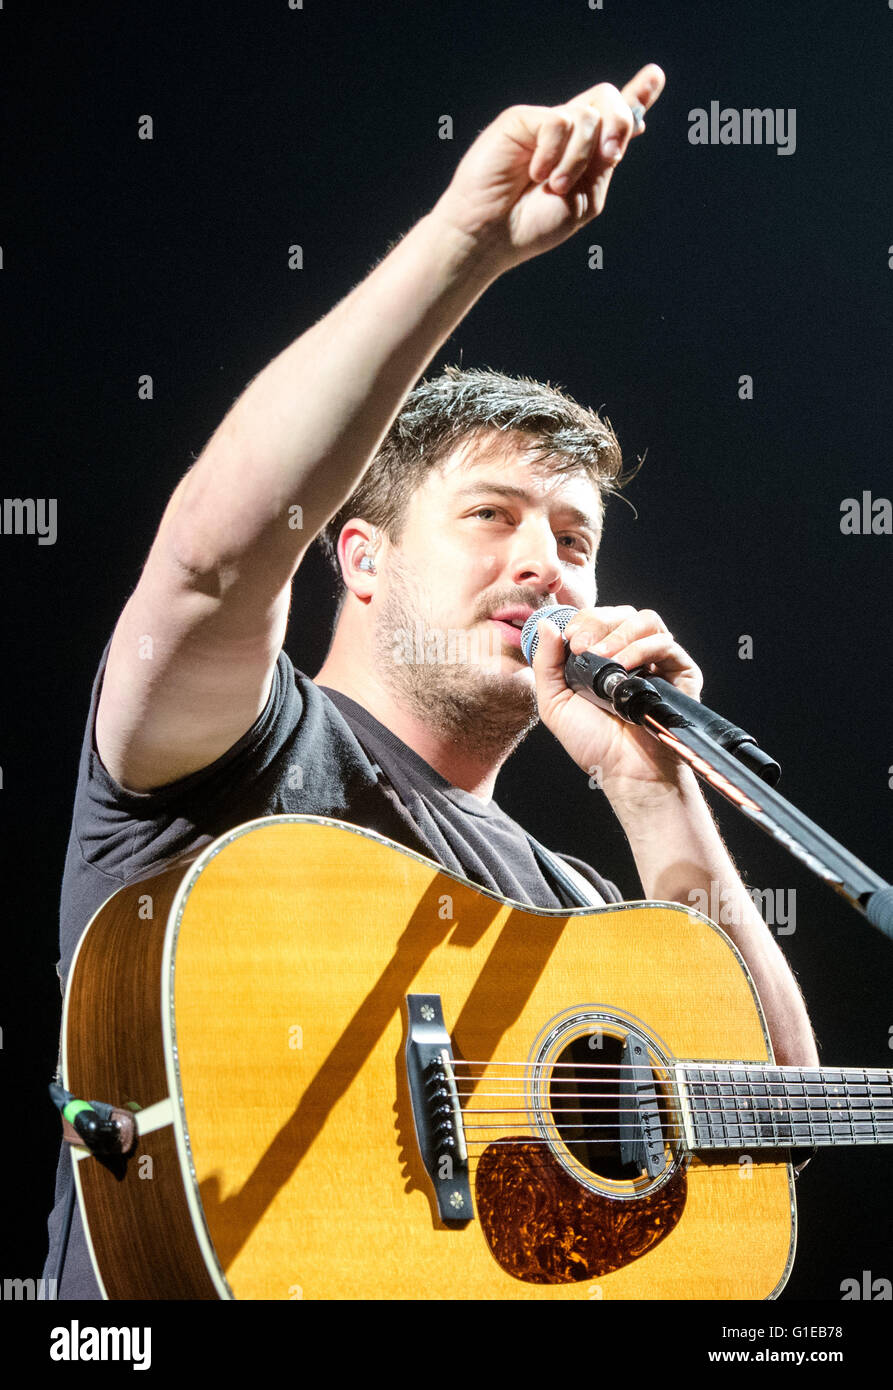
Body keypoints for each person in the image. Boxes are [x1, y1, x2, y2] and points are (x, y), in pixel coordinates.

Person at [43, 64, 818, 1299]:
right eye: (490, 516)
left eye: (573, 539)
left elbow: (772, 1122)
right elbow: (207, 560)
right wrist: (465, 246)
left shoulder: (568, 899)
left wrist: (654, 790)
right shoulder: (242, 746)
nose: (541, 565)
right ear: (358, 556)